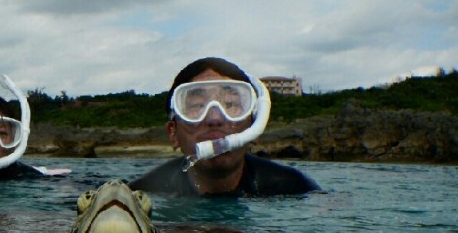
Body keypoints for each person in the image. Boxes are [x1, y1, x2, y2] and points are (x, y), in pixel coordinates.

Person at [129, 57, 319, 196]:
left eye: (230, 104)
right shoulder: (142, 194)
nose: (215, 119)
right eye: (197, 106)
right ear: (173, 133)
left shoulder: (295, 189)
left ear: (253, 126)